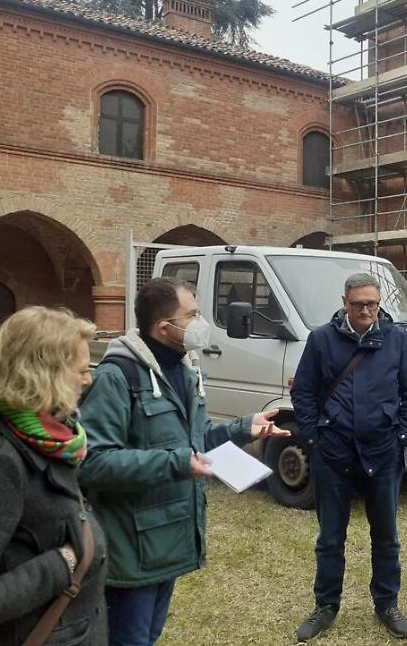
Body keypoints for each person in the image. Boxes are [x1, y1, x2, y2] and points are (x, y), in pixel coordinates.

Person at [78, 277, 288, 646]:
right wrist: (175, 463)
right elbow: (93, 462)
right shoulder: (118, 376)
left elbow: (196, 439)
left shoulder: (185, 369)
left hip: (169, 541)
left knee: (149, 635)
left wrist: (243, 428)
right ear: (164, 327)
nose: (201, 323)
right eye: (192, 315)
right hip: (133, 548)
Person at [0, 306, 107, 645]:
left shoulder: (50, 440)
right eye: (80, 370)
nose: (88, 380)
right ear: (42, 374)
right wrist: (63, 564)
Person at [291, 272, 407, 641]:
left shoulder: (396, 339)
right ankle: (326, 605)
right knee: (330, 538)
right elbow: (303, 392)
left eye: (372, 304)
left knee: (387, 537)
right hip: (333, 454)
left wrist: (402, 436)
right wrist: (315, 438)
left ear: (379, 303)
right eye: (358, 304)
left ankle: (387, 604)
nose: (366, 311)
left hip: (383, 453)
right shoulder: (321, 339)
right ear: (344, 303)